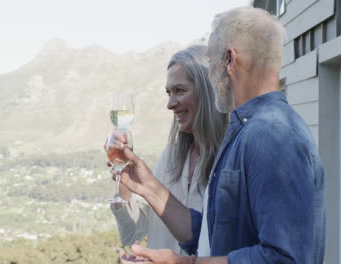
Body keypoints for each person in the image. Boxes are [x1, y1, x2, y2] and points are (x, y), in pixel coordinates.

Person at [117, 6, 326, 264]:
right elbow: (209, 237)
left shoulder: (273, 136)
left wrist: (185, 263)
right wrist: (147, 185)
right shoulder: (246, 131)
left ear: (229, 59)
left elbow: (283, 258)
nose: (210, 73)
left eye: (212, 60)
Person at [110, 45, 228, 255]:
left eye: (179, 91)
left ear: (207, 91)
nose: (170, 104)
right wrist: (125, 182)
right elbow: (132, 233)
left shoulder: (231, 160)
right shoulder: (173, 155)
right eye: (168, 92)